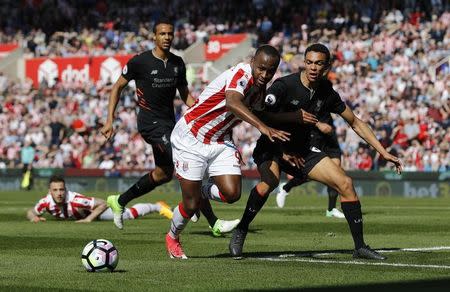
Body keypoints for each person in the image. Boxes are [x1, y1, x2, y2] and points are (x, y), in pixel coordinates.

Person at [229, 43, 402, 260]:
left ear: (327, 67)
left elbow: (355, 122)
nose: (313, 67)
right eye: (309, 62)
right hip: (272, 146)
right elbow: (260, 115)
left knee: (346, 184)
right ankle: (241, 229)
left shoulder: (327, 92)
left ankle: (360, 247)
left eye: (319, 63)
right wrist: (291, 123)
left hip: (302, 151)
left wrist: (382, 151)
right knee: (270, 182)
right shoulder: (283, 86)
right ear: (304, 62)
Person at [100, 17, 238, 234]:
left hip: (170, 125)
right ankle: (213, 222)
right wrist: (110, 120)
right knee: (188, 161)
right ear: (154, 37)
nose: (167, 37)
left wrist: (201, 111)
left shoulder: (177, 63)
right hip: (150, 124)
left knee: (163, 173)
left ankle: (119, 200)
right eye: (162, 34)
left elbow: (185, 95)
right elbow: (117, 87)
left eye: (170, 34)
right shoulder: (140, 62)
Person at [165, 45, 301, 259]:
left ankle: (200, 190)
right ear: (253, 62)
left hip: (219, 140)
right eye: (261, 68)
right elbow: (232, 102)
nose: (265, 75)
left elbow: (264, 117)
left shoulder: (260, 89)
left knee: (232, 194)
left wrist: (286, 138)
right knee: (190, 206)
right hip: (191, 136)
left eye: (270, 70)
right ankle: (173, 237)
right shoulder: (241, 74)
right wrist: (262, 127)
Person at [276, 115, 345, 219]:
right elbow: (301, 113)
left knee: (336, 172)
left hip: (330, 137)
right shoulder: (307, 99)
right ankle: (286, 188)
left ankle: (331, 210)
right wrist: (318, 124)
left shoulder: (329, 99)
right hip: (314, 136)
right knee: (309, 174)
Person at [26, 175, 173, 223]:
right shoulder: (46, 202)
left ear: (65, 189)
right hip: (89, 214)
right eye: (55, 190)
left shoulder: (75, 200)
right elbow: (30, 211)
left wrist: (88, 219)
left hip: (99, 212)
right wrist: (34, 218)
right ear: (49, 191)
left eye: (61, 189)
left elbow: (103, 203)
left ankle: (158, 206)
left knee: (128, 215)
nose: (59, 193)